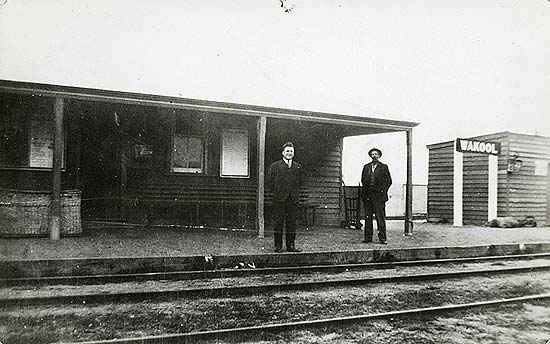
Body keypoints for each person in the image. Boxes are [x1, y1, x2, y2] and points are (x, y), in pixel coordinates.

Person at [267, 142, 303, 253]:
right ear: (283, 153)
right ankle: (278, 246)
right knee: (278, 223)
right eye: (287, 151)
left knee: (291, 223)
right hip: (279, 199)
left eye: (291, 151)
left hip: (293, 200)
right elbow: (270, 182)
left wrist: (293, 193)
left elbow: (300, 182)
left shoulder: (297, 167)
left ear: (294, 153)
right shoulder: (275, 166)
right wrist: (278, 192)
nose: (289, 153)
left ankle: (290, 246)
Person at [361, 148, 392, 244]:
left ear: (379, 156)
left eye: (376, 154)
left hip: (379, 197)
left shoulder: (384, 167)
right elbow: (363, 180)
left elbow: (389, 181)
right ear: (370, 156)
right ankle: (368, 237)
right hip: (368, 196)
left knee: (380, 217)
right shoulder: (366, 167)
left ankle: (382, 238)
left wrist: (382, 191)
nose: (374, 156)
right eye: (372, 154)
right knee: (368, 217)